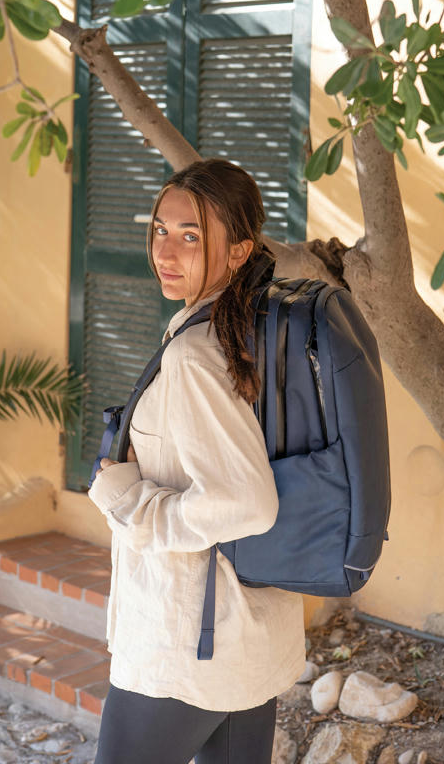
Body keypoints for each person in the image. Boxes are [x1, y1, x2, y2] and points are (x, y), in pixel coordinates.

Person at [88, 158, 306, 764]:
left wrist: (128, 501)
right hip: (243, 630)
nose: (166, 251)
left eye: (191, 236)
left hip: (184, 641)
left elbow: (246, 503)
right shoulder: (248, 326)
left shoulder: (197, 355)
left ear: (239, 252)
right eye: (161, 229)